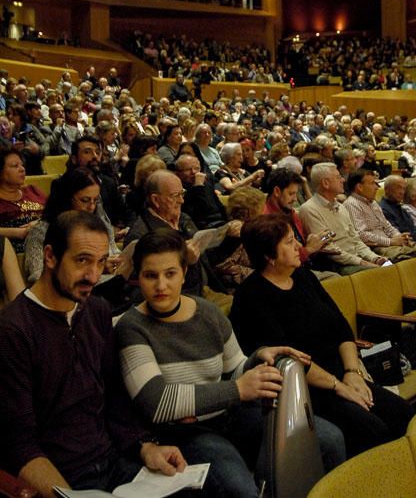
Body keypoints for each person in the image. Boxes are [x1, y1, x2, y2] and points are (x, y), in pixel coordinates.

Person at [115, 229, 335, 495]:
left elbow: (235, 368)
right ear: (138, 278)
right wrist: (238, 390)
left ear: (184, 272)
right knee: (240, 489)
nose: (161, 286)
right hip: (184, 433)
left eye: (170, 274)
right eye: (151, 276)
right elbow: (159, 402)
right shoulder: (132, 327)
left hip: (230, 415)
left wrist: (258, 357)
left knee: (328, 440)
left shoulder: (207, 312)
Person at [0, 211, 186, 498]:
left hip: (114, 459)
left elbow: (113, 394)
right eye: (82, 260)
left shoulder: (95, 310)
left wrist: (145, 446)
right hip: (63, 476)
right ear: (50, 257)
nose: (93, 276)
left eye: (100, 263)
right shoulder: (14, 330)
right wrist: (64, 494)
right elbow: (18, 441)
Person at [230, 213, 413, 458]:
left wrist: (352, 373)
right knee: (373, 431)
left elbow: (340, 326)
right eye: (288, 242)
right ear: (268, 256)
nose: (298, 246)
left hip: (342, 373)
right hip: (304, 388)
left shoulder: (303, 276)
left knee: (403, 413)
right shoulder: (251, 297)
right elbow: (290, 360)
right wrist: (339, 386)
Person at [24, 167, 126, 285]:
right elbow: (37, 277)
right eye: (85, 200)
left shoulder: (99, 224)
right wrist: (100, 269)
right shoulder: (41, 232)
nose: (91, 207)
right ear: (66, 199)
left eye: (95, 200)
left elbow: (113, 251)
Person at [299, 163, 385, 275]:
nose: (343, 180)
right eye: (338, 177)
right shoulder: (309, 210)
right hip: (338, 266)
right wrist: (363, 262)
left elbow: (355, 240)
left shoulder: (341, 206)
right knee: (381, 274)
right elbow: (330, 251)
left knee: (390, 265)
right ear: (326, 183)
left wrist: (375, 258)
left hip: (356, 259)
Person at [0, 148, 46, 253]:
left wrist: (39, 224)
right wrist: (20, 232)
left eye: (22, 165)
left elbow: (54, 215)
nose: (22, 169)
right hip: (15, 246)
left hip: (45, 236)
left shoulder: (33, 190)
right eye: (15, 166)